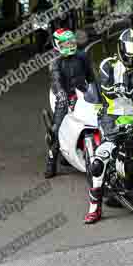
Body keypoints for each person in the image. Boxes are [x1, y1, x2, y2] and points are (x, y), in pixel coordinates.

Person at [84, 28, 133, 224]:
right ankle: (94, 207)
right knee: (100, 160)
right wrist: (121, 89)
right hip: (112, 116)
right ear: (121, 49)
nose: (132, 57)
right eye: (129, 52)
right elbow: (106, 88)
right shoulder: (108, 65)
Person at [45, 29, 97, 178]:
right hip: (64, 95)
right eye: (65, 43)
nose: (69, 45)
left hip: (82, 92)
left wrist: (97, 92)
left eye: (71, 42)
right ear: (57, 44)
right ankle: (51, 160)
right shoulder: (55, 61)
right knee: (56, 128)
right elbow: (55, 81)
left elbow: (91, 77)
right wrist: (61, 94)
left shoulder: (82, 56)